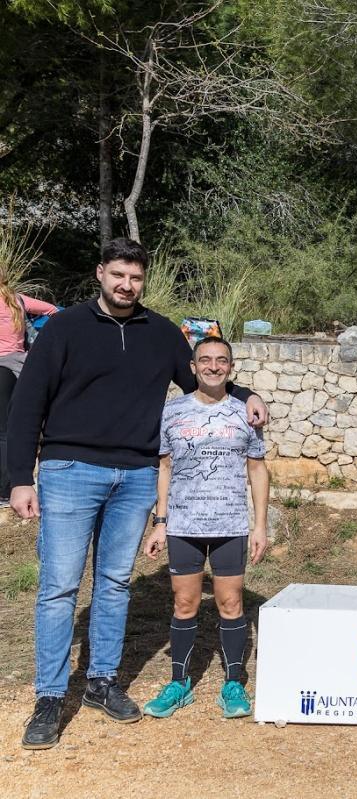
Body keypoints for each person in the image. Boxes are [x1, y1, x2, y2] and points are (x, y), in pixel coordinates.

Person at [13, 238, 267, 750]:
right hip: (69, 470)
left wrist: (248, 394)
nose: (127, 285)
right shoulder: (64, 328)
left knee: (113, 584)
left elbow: (204, 377)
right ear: (100, 274)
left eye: (136, 278)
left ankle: (101, 683)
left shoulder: (160, 333)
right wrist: (20, 476)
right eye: (118, 276)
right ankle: (49, 697)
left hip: (134, 477)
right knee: (60, 587)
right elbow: (26, 402)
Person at [140, 337, 269, 719]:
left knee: (231, 604)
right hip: (183, 524)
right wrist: (160, 522)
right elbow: (163, 468)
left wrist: (260, 525)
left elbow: (258, 469)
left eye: (222, 360)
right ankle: (179, 684)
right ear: (193, 367)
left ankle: (233, 683)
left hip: (230, 524)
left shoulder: (245, 412)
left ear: (231, 367)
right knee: (185, 604)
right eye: (206, 360)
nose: (214, 366)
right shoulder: (172, 411)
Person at [0, 276, 58, 507]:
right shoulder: (17, 300)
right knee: (27, 422)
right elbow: (54, 310)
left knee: (2, 431)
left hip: (0, 367)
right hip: (23, 364)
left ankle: (5, 490)